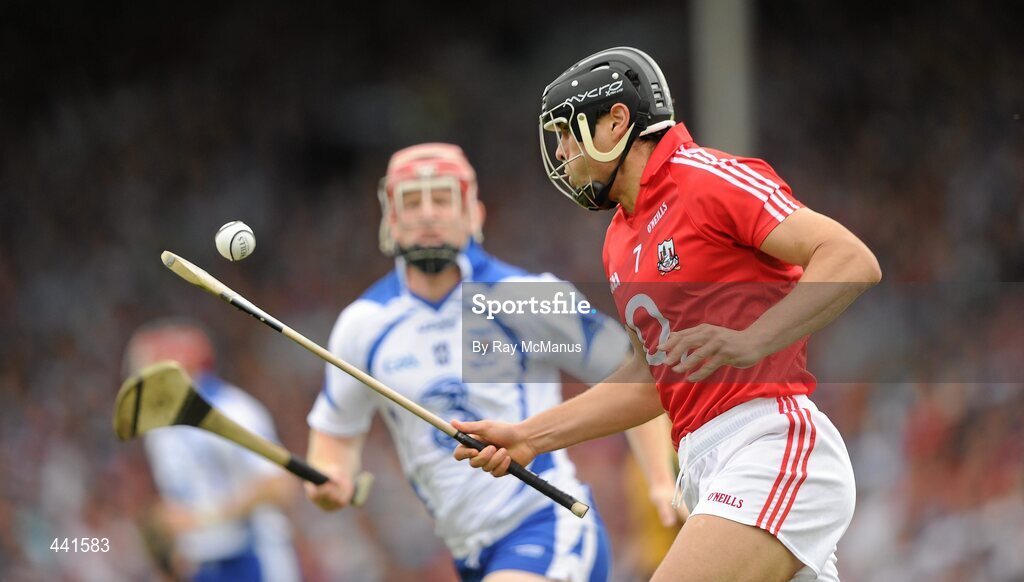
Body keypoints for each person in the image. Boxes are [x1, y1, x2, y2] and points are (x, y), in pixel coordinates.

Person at [453, 47, 882, 582]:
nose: (562, 152)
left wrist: (751, 340)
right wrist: (531, 437)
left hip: (770, 445)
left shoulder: (706, 178)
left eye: (567, 132)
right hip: (705, 463)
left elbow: (850, 259)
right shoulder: (618, 239)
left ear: (616, 121)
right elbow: (652, 379)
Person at [304, 143, 682, 582]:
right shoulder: (363, 326)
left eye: (442, 199)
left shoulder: (528, 298)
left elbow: (634, 376)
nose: (428, 214)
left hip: (549, 522)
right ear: (390, 218)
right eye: (411, 201)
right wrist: (330, 481)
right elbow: (334, 439)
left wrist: (659, 478)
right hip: (472, 555)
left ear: (473, 212)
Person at [123, 319, 301, 582]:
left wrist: (206, 518)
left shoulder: (232, 410)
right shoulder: (159, 428)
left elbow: (280, 486)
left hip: (252, 559)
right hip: (201, 566)